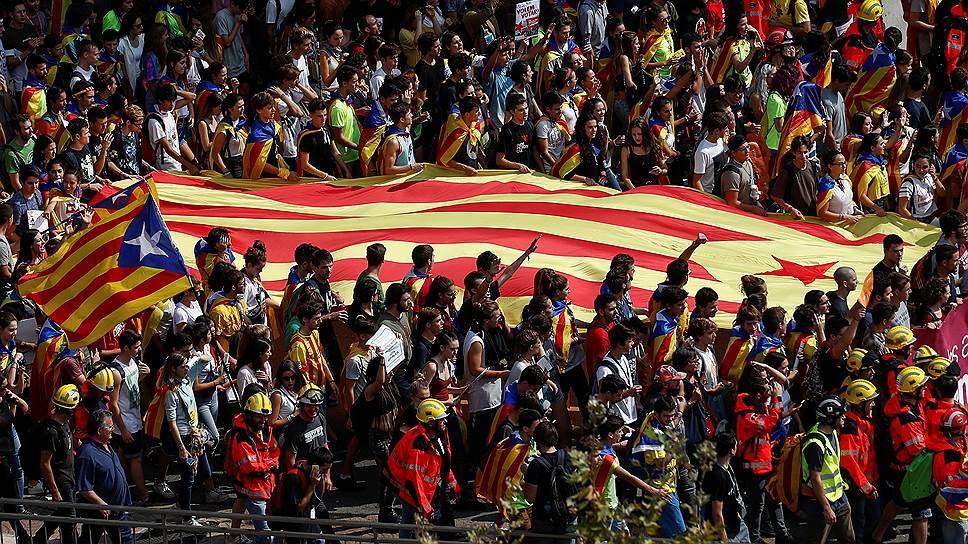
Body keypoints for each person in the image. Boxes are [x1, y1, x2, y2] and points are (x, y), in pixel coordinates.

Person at [386, 398, 458, 536]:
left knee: (410, 519)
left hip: (421, 490)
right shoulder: (419, 446)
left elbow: (443, 462)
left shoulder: (437, 435)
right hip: (411, 491)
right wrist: (425, 507)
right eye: (442, 419)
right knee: (411, 519)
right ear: (431, 423)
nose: (445, 422)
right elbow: (415, 480)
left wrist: (452, 483)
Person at [225, 391, 279, 544]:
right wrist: (270, 465)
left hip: (267, 485)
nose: (263, 420)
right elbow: (249, 466)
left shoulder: (265, 429)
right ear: (249, 416)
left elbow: (275, 450)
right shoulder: (241, 437)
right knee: (267, 535)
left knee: (270, 529)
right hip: (253, 489)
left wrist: (270, 464)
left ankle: (234, 537)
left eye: (265, 416)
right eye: (259, 417)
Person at [800, 396, 854, 543]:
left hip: (839, 497)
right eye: (840, 415)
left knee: (848, 539)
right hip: (820, 501)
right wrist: (826, 508)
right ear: (830, 418)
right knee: (818, 539)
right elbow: (815, 478)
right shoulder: (815, 443)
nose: (844, 417)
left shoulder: (833, 433)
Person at [75, 410, 134, 544]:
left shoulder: (106, 444)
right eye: (110, 427)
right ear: (99, 430)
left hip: (115, 509)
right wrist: (100, 504)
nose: (113, 429)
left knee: (90, 538)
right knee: (123, 540)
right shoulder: (87, 453)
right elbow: (84, 488)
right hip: (103, 510)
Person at [33, 384, 81, 544]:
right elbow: (45, 463)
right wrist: (55, 491)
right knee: (70, 518)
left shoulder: (65, 423)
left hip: (70, 477)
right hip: (61, 481)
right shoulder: (51, 432)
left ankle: (38, 539)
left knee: (64, 513)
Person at [702, 432, 749, 543]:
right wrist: (724, 540)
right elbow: (717, 513)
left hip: (737, 524)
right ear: (731, 451)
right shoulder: (718, 476)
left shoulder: (727, 468)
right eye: (736, 445)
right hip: (725, 532)